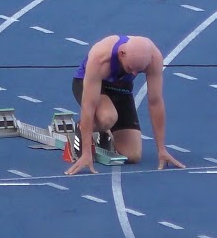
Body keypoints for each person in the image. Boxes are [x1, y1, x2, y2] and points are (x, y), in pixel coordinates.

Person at [64, 35, 186, 175]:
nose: (134, 73)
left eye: (139, 71)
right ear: (122, 54)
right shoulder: (100, 56)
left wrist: (162, 149)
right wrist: (86, 153)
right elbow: (88, 105)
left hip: (121, 88)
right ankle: (83, 127)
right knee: (107, 117)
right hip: (89, 84)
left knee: (132, 155)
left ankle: (105, 133)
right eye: (131, 68)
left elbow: (155, 102)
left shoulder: (154, 57)